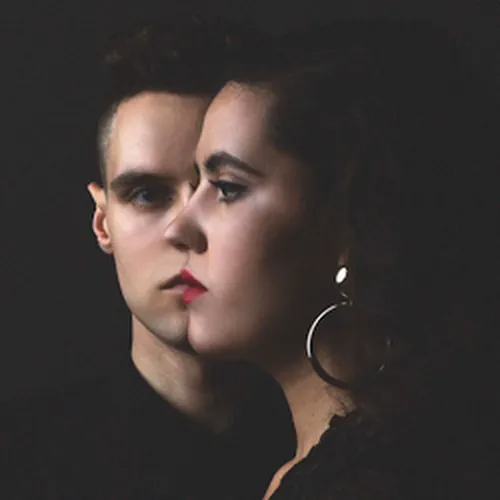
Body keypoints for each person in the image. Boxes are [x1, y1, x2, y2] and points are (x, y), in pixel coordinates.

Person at [164, 20, 499, 499]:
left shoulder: (392, 475)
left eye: (228, 188)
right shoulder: (332, 460)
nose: (178, 228)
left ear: (349, 220)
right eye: (197, 182)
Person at [0, 17, 295, 499]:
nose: (184, 228)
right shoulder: (17, 462)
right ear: (102, 222)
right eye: (146, 194)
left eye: (225, 189)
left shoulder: (365, 453)